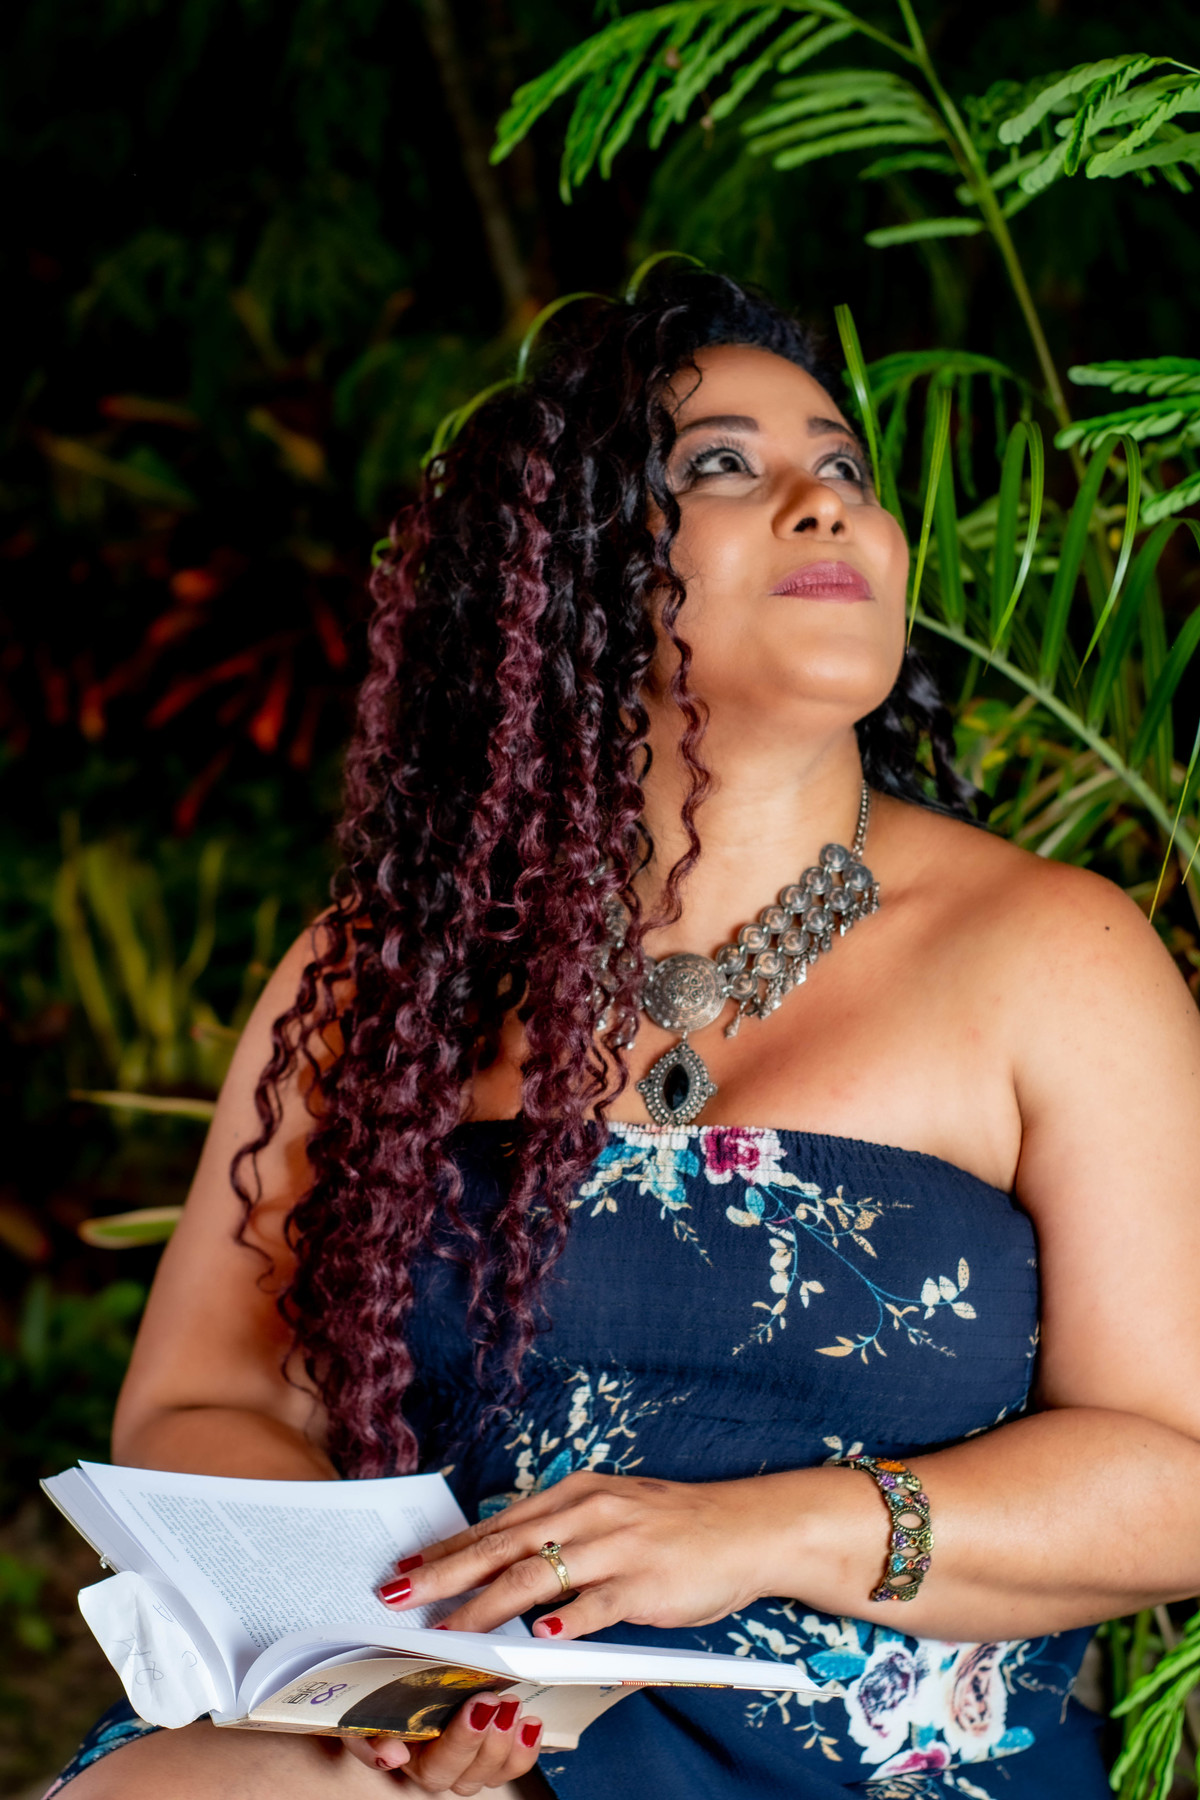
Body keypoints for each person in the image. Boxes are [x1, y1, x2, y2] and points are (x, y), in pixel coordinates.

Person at [50, 269, 1200, 1800]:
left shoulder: (1056, 952)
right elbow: (208, 1404)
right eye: (721, 465)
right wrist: (401, 1658)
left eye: (844, 468)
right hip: (457, 1738)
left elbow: (1177, 1476)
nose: (823, 502)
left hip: (878, 1761)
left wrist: (761, 1533)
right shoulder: (393, 972)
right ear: (568, 570)